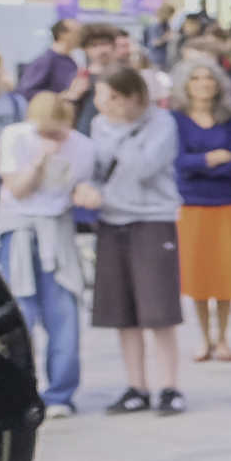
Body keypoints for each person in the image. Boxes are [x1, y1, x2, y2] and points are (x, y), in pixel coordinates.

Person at [70, 64, 186, 414]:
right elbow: (93, 167)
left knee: (159, 309)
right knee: (123, 311)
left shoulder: (161, 122)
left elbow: (143, 168)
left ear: (130, 97)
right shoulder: (98, 125)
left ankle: (169, 386)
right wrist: (87, 188)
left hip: (152, 220)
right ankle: (136, 386)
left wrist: (121, 132)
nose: (101, 105)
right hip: (112, 221)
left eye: (107, 98)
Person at [0, 88, 90, 417]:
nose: (51, 136)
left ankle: (60, 393)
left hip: (56, 231)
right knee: (19, 313)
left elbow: (81, 187)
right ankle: (18, 390)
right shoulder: (15, 137)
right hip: (18, 230)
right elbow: (17, 190)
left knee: (63, 313)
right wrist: (39, 161)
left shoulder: (82, 145)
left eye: (57, 130)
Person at [170, 59, 231, 363]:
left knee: (225, 273)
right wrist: (210, 159)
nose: (203, 84)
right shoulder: (176, 120)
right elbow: (177, 163)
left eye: (208, 78)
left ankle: (223, 338)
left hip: (227, 202)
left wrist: (199, 164)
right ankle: (204, 338)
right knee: (198, 276)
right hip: (193, 204)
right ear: (187, 85)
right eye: (196, 78)